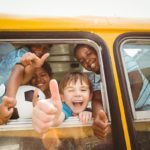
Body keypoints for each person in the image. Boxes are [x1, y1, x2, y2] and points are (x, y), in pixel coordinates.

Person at [0, 43, 50, 124]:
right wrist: (9, 101)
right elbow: (18, 69)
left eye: (45, 47)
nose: (40, 49)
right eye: (37, 44)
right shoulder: (23, 53)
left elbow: (21, 76)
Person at [73, 44, 109, 139]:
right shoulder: (93, 78)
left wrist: (117, 112)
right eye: (82, 61)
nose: (87, 61)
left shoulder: (119, 60)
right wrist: (98, 118)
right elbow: (97, 99)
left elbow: (136, 85)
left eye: (89, 54)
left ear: (98, 51)